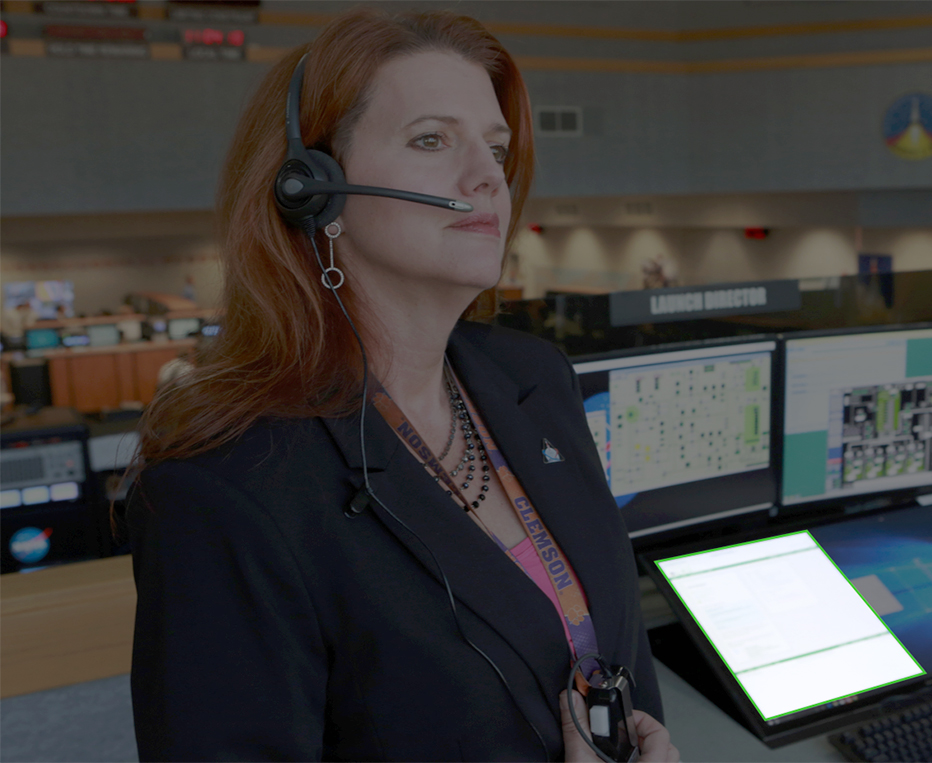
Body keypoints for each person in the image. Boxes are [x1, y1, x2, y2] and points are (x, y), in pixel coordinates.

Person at [125, 9, 677, 762]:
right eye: (431, 140)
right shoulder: (225, 486)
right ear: (313, 189)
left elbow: (622, 654)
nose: (488, 177)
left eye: (496, 148)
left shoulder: (534, 377)